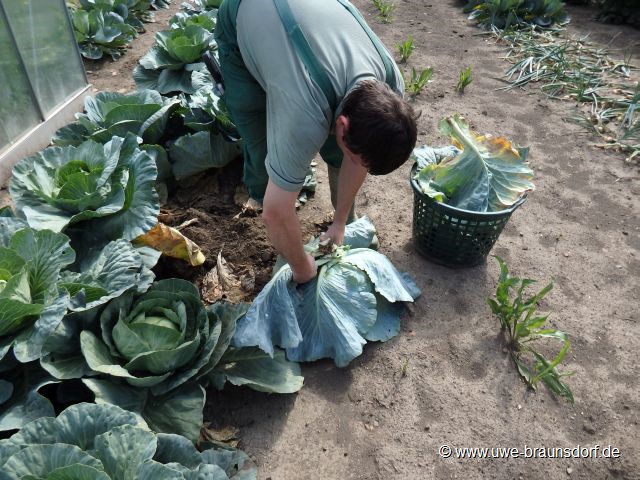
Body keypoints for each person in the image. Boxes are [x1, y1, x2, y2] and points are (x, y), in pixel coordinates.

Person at [215, 0, 418, 284]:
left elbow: (359, 159)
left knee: (345, 149)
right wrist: (303, 268)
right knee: (255, 124)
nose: (357, 163)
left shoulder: (391, 85)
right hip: (245, 10)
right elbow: (275, 212)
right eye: (358, 159)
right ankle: (271, 215)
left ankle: (341, 219)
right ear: (342, 124)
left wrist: (339, 223)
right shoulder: (304, 114)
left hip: (309, 25)